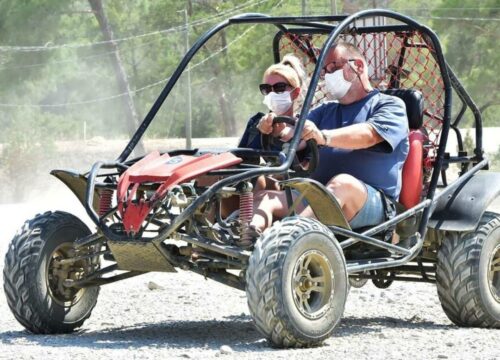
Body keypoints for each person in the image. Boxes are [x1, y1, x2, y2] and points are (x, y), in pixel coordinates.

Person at [250, 41, 409, 235]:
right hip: (321, 195)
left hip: (372, 203)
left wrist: (323, 137)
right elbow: (295, 135)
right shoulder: (325, 111)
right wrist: (275, 129)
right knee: (265, 198)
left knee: (343, 183)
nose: (328, 75)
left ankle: (289, 239)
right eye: (325, 71)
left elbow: (369, 135)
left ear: (358, 66)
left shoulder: (389, 105)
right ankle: (247, 241)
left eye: (334, 67)